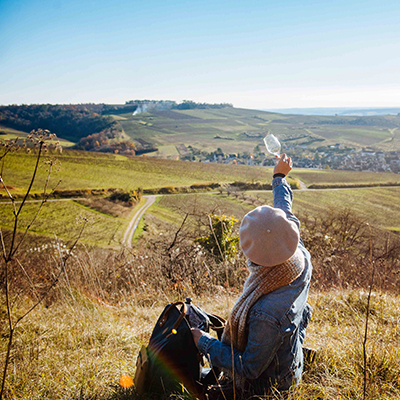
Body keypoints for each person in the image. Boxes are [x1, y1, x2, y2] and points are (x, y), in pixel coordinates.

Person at [191, 153, 313, 397]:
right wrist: (279, 177)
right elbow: (284, 208)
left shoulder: (265, 313)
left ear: (250, 255)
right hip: (288, 356)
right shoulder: (297, 253)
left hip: (272, 386)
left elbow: (249, 367)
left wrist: (203, 342)